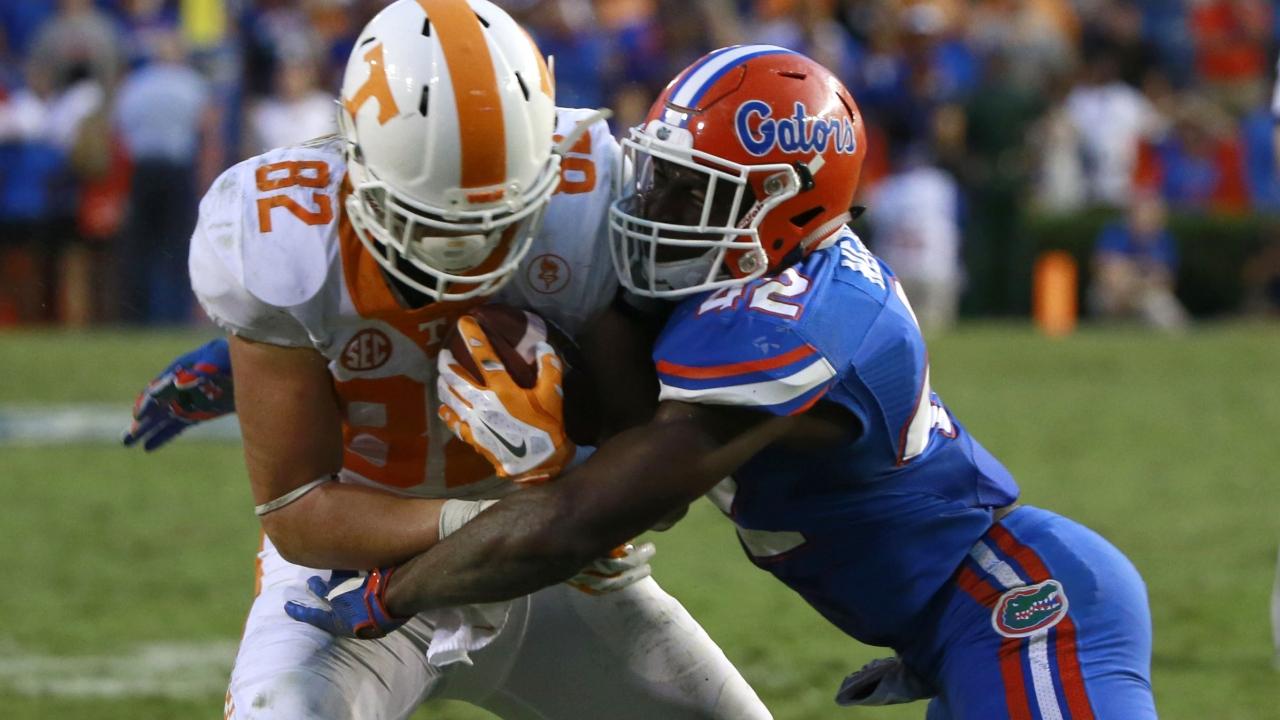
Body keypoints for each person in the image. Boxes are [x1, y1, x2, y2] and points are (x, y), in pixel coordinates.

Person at [289, 46, 1159, 718]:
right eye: (658, 176)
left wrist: (394, 592)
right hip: (958, 617)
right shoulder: (738, 272)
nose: (653, 205)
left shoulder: (797, 318)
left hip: (1017, 607)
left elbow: (595, 515)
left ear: (785, 200)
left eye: (689, 190)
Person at [132, 2, 769, 718]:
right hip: (355, 569)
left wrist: (565, 464)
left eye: (505, 219)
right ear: (356, 159)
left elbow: (652, 463)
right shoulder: (283, 234)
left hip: (562, 570)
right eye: (439, 225)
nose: (476, 253)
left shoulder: (591, 193)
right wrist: (492, 525)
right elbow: (297, 510)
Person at [1089, 192, 1188, 330]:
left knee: (1165, 309)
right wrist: (1140, 276)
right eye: (1146, 213)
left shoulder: (1164, 240)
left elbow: (1165, 280)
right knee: (1106, 296)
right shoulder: (1115, 233)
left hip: (1146, 296)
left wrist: (1131, 277)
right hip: (1112, 296)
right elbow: (1108, 273)